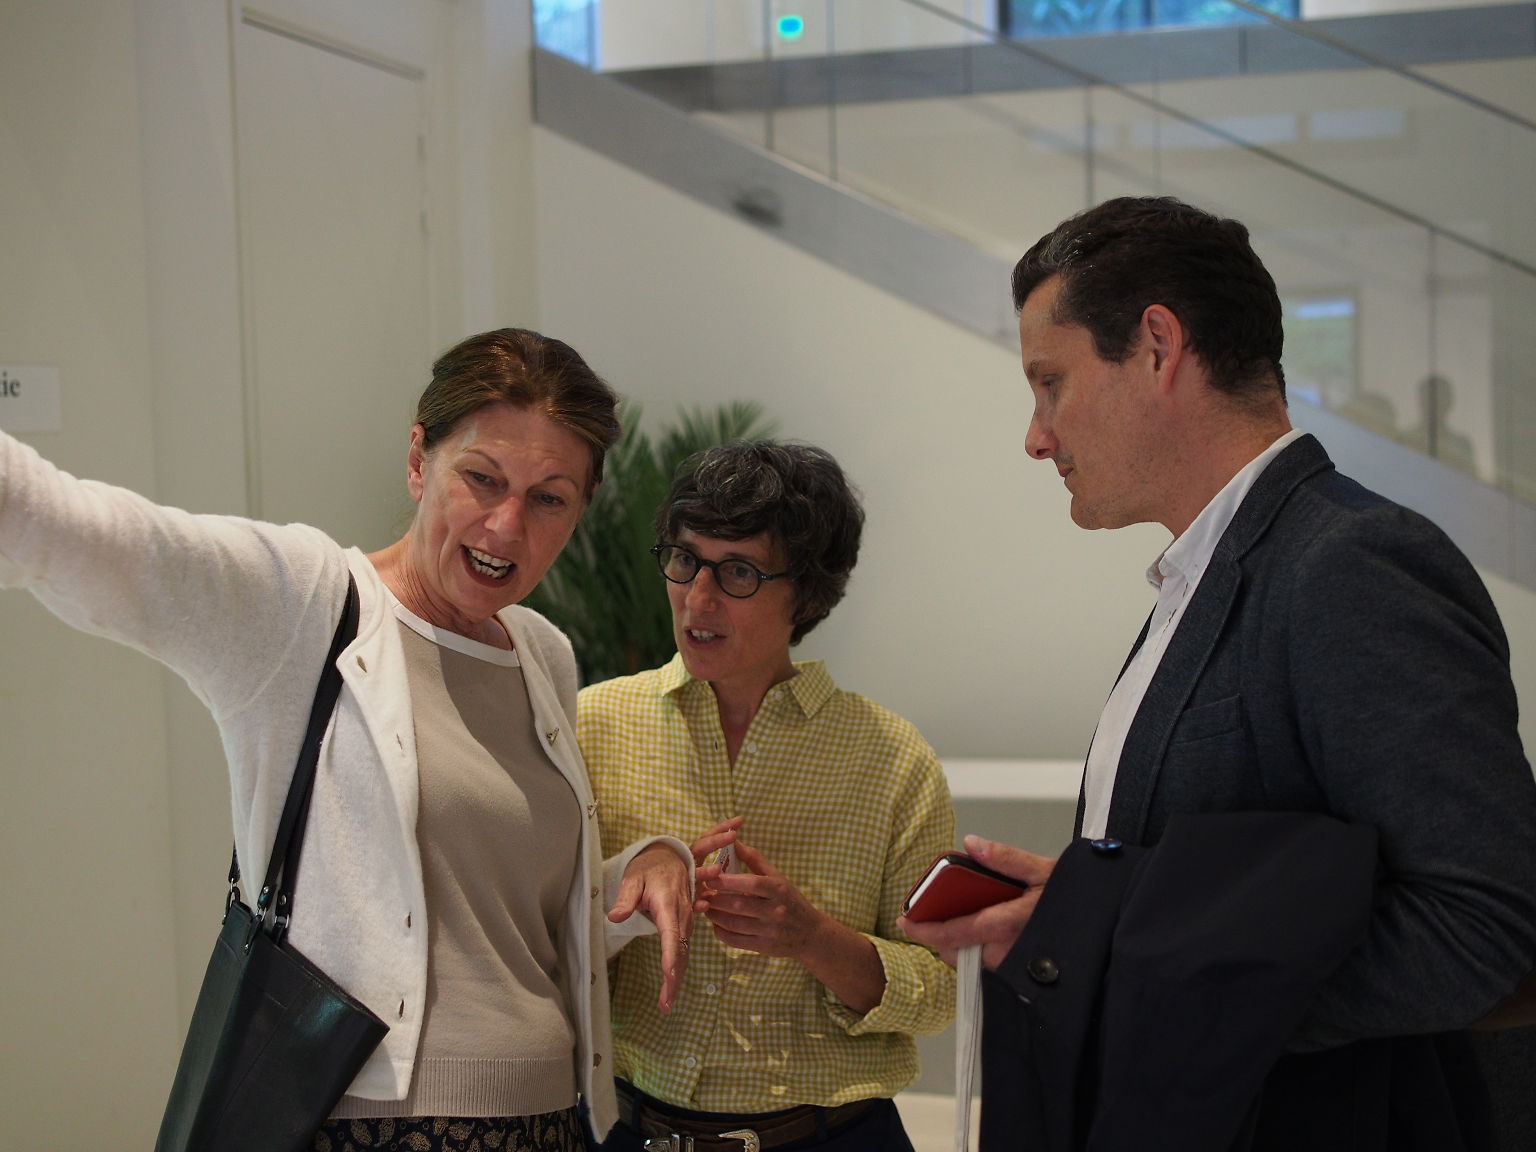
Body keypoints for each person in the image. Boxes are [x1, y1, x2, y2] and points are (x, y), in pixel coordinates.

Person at [900, 197, 1536, 1151]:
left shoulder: (1349, 565)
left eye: (1050, 383)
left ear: (1159, 347)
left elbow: (1482, 926)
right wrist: (1085, 907)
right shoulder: (1212, 576)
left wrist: (1142, 969)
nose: (1036, 435)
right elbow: (1245, 887)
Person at [0, 328, 696, 1152]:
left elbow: (499, 922)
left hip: (553, 1120)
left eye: (549, 499)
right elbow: (81, 535)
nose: (507, 526)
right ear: (419, 461)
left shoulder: (541, 652)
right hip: (374, 1125)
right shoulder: (306, 606)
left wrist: (637, 875)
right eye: (482, 478)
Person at [577, 441, 957, 1152]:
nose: (698, 599)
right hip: (625, 1129)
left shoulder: (892, 759)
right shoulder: (593, 724)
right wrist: (623, 890)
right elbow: (531, 946)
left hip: (832, 1138)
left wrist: (813, 939)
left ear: (807, 595)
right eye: (685, 559)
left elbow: (941, 990)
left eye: (739, 572)